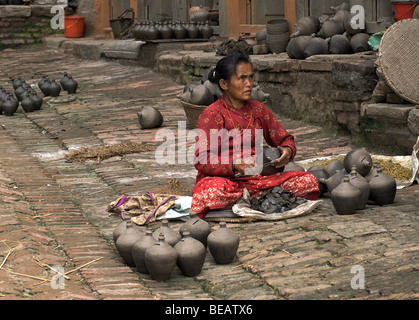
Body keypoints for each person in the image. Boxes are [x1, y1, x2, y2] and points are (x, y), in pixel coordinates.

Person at [191, 51, 319, 219]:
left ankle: (246, 204)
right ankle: (262, 202)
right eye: (242, 78)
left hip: (259, 180)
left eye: (251, 77)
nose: (249, 84)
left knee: (308, 181)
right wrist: (235, 165)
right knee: (211, 192)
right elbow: (202, 159)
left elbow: (284, 138)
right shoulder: (212, 114)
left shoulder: (259, 110)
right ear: (224, 84)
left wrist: (287, 151)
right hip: (226, 181)